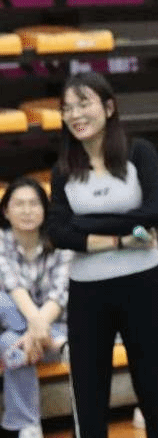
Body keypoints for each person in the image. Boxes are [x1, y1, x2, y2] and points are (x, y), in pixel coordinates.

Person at [42, 72, 158, 438]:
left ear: (109, 107)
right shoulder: (63, 171)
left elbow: (155, 212)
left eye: (83, 104)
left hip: (142, 286)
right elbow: (58, 233)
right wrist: (120, 240)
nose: (75, 114)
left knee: (155, 399)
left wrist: (85, 225)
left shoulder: (139, 153)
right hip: (87, 293)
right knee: (88, 403)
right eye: (67, 108)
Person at [0, 177, 72, 438]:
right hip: (48, 336)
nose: (27, 211)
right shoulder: (0, 242)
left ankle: (28, 426)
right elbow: (13, 287)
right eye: (19, 204)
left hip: (53, 326)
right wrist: (36, 329)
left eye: (34, 204)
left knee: (10, 342)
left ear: (45, 210)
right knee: (3, 301)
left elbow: (59, 295)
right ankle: (56, 344)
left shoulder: (61, 242)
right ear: (6, 211)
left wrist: (35, 331)